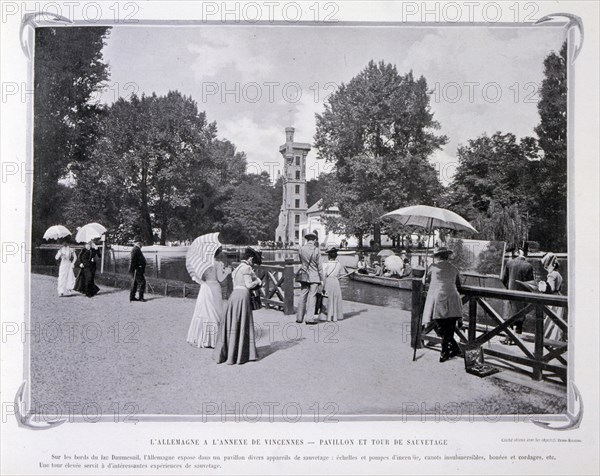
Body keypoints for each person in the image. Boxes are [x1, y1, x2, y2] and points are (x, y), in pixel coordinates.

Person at [215, 246, 262, 365]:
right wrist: (258, 281)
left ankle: (230, 353)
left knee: (233, 323)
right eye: (253, 261)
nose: (253, 263)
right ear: (250, 258)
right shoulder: (247, 268)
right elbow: (249, 285)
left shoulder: (237, 268)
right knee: (242, 324)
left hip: (234, 295)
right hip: (242, 296)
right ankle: (241, 354)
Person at [422, 247, 463, 362]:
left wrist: (426, 270)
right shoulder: (454, 268)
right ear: (447, 256)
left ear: (437, 256)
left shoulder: (433, 267)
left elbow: (423, 281)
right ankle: (454, 349)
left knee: (442, 327)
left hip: (439, 298)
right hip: (453, 298)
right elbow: (459, 285)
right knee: (449, 326)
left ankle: (445, 352)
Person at [187, 247, 231, 349]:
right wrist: (227, 272)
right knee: (215, 311)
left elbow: (195, 277)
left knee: (204, 311)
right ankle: (214, 340)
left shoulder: (202, 264)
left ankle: (201, 338)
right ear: (216, 253)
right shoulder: (218, 264)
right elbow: (220, 278)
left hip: (205, 288)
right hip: (214, 288)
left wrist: (203, 283)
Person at [501, 245, 534, 345]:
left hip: (510, 294)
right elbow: (531, 285)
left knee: (509, 316)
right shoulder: (529, 266)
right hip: (522, 296)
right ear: (526, 253)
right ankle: (517, 340)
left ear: (518, 251)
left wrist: (509, 287)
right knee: (520, 317)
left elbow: (503, 279)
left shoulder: (510, 263)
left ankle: (508, 338)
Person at [296, 233, 324, 325]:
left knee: (302, 295)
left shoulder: (301, 249)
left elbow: (301, 261)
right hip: (314, 276)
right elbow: (320, 267)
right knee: (312, 296)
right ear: (314, 240)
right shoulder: (316, 250)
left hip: (304, 275)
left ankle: (299, 318)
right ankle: (309, 319)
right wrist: (322, 279)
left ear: (307, 240)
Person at [539, 252, 565, 341]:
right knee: (556, 321)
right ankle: (556, 339)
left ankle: (546, 339)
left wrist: (542, 286)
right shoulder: (558, 274)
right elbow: (558, 288)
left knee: (549, 320)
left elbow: (551, 288)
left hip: (553, 299)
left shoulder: (551, 274)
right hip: (558, 297)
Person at [321, 247, 350, 322]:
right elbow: (339, 272)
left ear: (329, 256)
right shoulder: (339, 264)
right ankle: (335, 316)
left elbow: (323, 275)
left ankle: (327, 316)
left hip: (328, 281)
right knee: (335, 297)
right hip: (335, 281)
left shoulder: (326, 264)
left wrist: (322, 284)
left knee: (327, 297)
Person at [129, 236, 147, 302]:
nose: (142, 244)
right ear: (139, 243)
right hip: (137, 269)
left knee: (135, 283)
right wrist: (136, 267)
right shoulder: (136, 249)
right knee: (142, 283)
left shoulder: (136, 249)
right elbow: (133, 260)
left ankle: (132, 297)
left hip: (137, 269)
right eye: (141, 243)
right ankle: (140, 297)